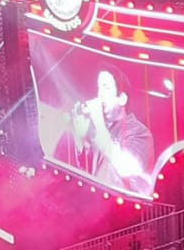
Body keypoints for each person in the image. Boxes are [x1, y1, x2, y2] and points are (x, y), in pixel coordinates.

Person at [54, 66, 154, 194]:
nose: (100, 94)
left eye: (106, 87)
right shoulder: (101, 133)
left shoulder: (138, 132)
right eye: (99, 88)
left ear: (122, 99)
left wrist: (98, 121)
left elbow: (130, 173)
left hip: (125, 210)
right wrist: (81, 138)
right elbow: (88, 178)